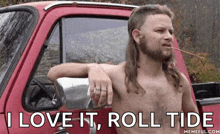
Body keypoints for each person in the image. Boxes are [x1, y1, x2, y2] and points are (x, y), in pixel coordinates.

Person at [47, 4, 200, 134]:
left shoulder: (178, 80)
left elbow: (192, 115)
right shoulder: (118, 75)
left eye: (171, 31)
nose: (169, 37)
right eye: (160, 31)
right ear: (138, 36)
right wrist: (91, 68)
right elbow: (53, 73)